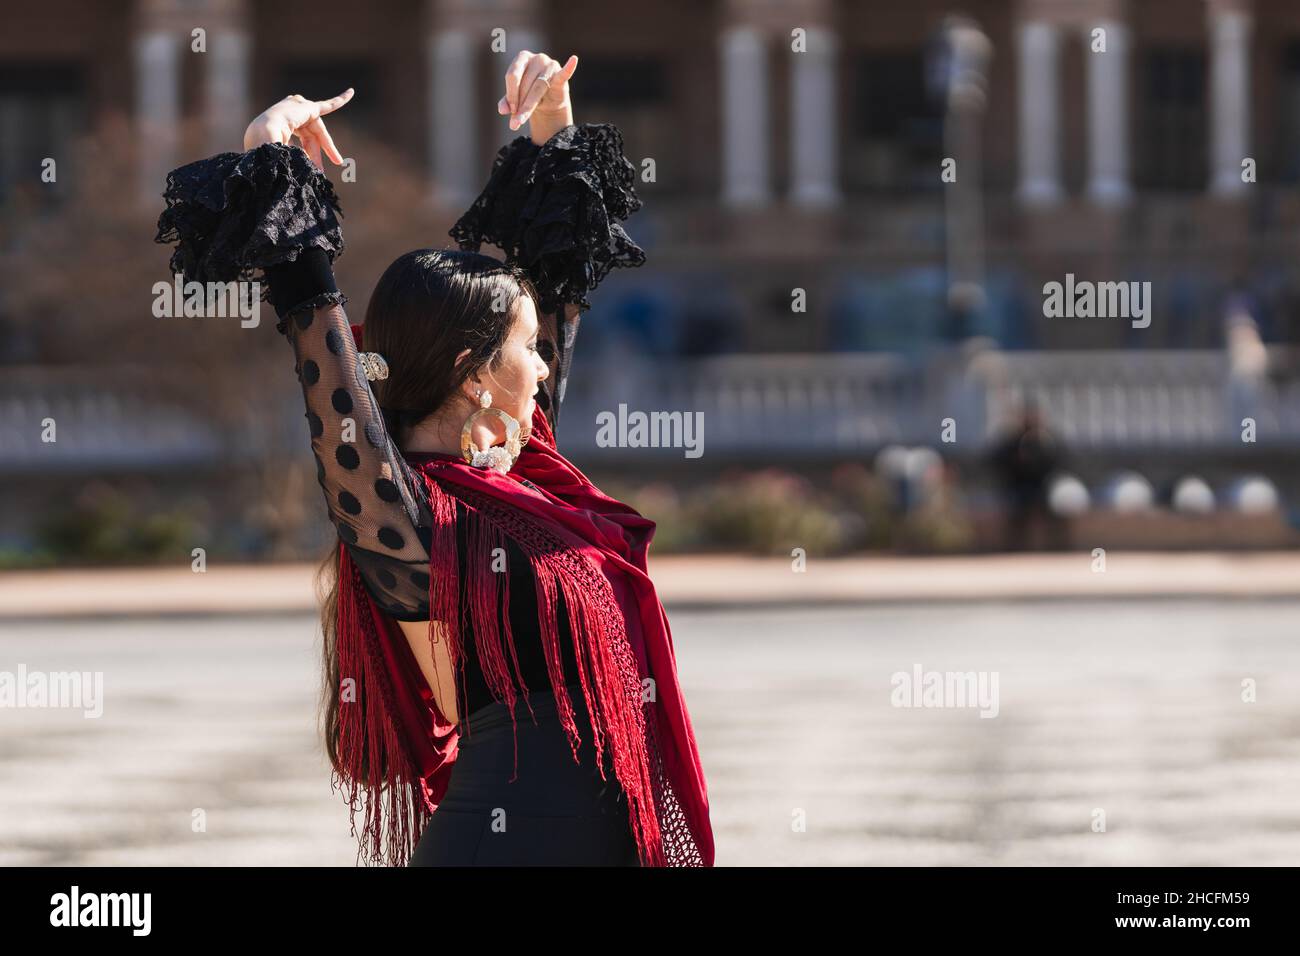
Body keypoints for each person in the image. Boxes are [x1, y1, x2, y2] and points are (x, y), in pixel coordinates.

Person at [156, 51, 713, 867]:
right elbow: (328, 365)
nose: (548, 365)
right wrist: (268, 154)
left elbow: (559, 278)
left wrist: (552, 117)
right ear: (472, 372)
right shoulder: (408, 517)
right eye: (530, 350)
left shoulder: (525, 483)